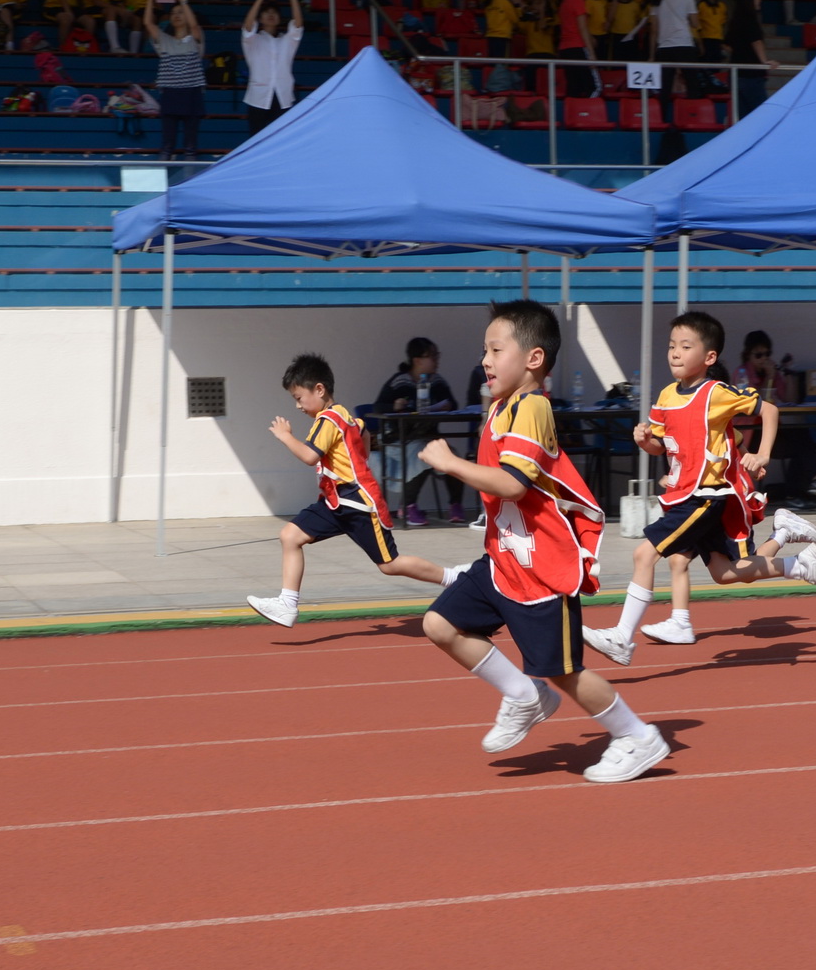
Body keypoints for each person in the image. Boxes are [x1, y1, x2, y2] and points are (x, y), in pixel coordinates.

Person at [415, 300, 670, 784]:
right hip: (503, 559)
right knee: (440, 624)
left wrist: (450, 464)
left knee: (564, 671)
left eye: (496, 350)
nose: (485, 360)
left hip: (542, 571)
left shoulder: (532, 408)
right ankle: (523, 695)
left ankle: (637, 735)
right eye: (484, 350)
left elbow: (513, 484)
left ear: (534, 358)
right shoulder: (501, 407)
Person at [584, 312, 816, 666]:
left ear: (709, 357)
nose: (675, 353)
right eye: (672, 346)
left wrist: (762, 453)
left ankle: (621, 637)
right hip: (683, 495)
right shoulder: (666, 396)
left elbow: (769, 410)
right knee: (723, 573)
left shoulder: (715, 393)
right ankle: (798, 565)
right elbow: (661, 446)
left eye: (685, 346)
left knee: (644, 555)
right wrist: (645, 441)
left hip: (705, 497)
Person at [245, 353, 465, 628]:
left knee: (389, 565)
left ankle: (453, 577)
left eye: (299, 398)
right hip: (335, 502)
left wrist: (285, 436)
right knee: (290, 536)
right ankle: (287, 604)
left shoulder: (328, 420)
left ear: (319, 389)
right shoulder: (345, 416)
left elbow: (310, 456)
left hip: (358, 503)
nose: (298, 406)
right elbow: (362, 433)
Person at [375, 337, 464, 526]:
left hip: (425, 437)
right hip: (397, 440)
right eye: (432, 356)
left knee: (452, 455)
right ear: (417, 360)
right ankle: (407, 507)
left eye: (437, 355)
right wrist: (394, 405)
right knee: (424, 455)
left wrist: (447, 405)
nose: (436, 360)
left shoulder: (437, 381)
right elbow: (378, 407)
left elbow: (453, 404)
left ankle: (455, 505)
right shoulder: (399, 381)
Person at [144, 0, 206, 160]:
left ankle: (190, 173)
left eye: (180, 13)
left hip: (192, 92)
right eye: (173, 13)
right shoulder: (164, 40)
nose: (176, 15)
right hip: (170, 92)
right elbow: (148, 23)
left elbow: (194, 25)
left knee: (190, 146)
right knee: (167, 146)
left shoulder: (196, 38)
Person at [240, 0, 303, 136]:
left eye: (274, 12)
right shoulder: (253, 40)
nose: (271, 14)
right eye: (266, 12)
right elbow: (248, 27)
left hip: (283, 95)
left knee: (282, 139)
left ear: (280, 19)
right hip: (258, 96)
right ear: (260, 18)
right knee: (256, 139)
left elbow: (298, 26)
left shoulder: (287, 40)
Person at [649, 0, 698, 97]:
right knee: (692, 83)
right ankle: (692, 109)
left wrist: (652, 54)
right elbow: (695, 23)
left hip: (665, 46)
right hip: (684, 43)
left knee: (665, 86)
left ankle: (664, 110)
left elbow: (654, 29)